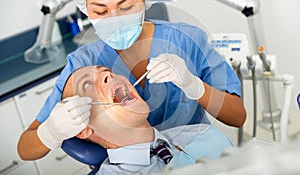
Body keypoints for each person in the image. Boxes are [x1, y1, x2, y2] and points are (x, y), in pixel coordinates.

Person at [17, 0, 246, 161]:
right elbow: (25, 148)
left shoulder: (186, 39)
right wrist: (51, 132)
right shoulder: (82, 63)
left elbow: (237, 117)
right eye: (101, 12)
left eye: (126, 7)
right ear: (86, 11)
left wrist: (194, 86)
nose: (114, 19)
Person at [61, 65, 233, 174]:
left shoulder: (203, 134)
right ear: (83, 129)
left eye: (108, 71)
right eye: (86, 84)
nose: (108, 75)